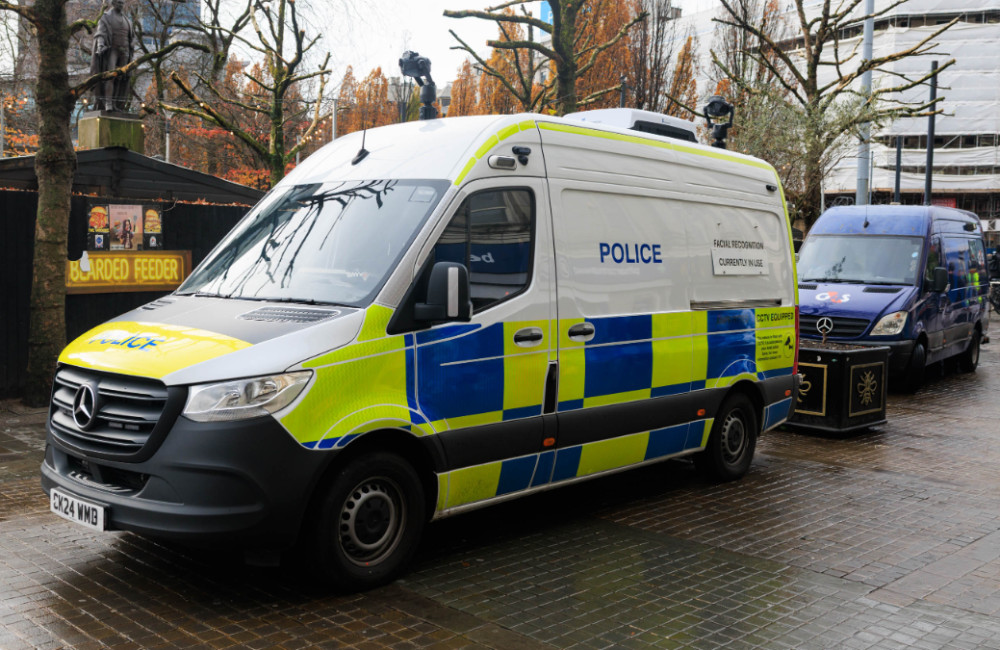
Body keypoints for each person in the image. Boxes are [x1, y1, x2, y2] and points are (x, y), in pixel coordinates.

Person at [90, 0, 134, 111]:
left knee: (121, 78)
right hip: (112, 50)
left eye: (122, 2)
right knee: (110, 76)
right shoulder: (106, 17)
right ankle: (108, 103)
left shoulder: (128, 21)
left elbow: (131, 38)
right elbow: (100, 33)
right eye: (119, 2)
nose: (121, 4)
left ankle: (115, 104)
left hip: (125, 52)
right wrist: (100, 45)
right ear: (113, 3)